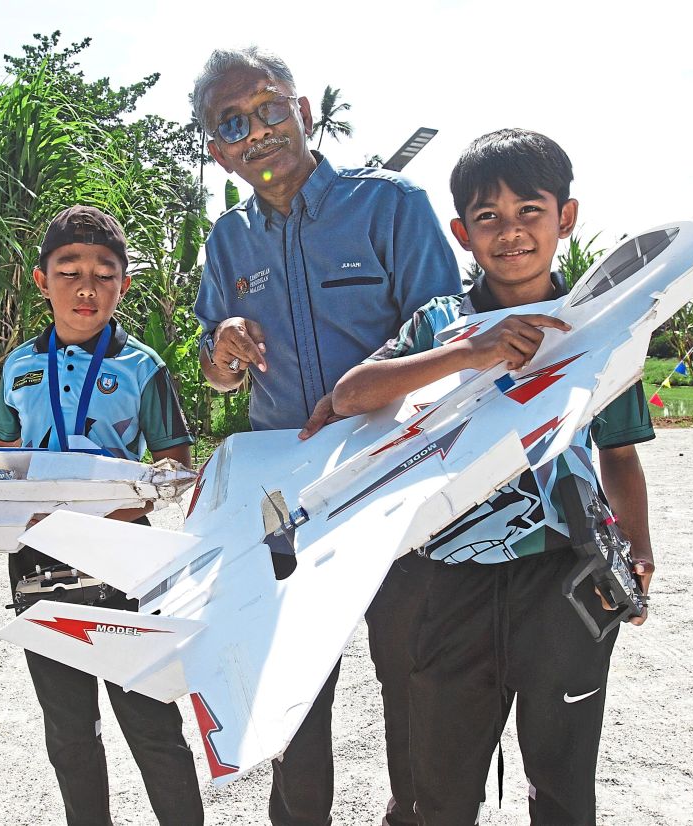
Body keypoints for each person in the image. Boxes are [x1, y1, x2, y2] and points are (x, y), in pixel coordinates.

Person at [332, 128, 656, 825]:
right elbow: (351, 396)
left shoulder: (600, 327)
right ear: (462, 232)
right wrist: (467, 356)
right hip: (447, 581)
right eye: (488, 217)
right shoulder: (441, 324)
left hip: (566, 578)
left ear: (565, 217)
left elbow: (620, 453)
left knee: (564, 787)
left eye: (529, 211)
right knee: (438, 795)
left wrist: (640, 546)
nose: (510, 232)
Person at [191, 47, 461, 826]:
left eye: (271, 108)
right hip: (279, 501)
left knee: (410, 665)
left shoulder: (390, 208)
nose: (259, 131)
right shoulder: (226, 244)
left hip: (395, 477)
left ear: (304, 113)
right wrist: (223, 350)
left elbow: (448, 339)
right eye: (233, 123)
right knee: (290, 675)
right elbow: (217, 376)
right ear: (218, 150)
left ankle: (414, 812)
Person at [0, 206, 203, 826]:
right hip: (36, 559)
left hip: (123, 557)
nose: (87, 289)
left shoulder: (144, 368)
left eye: (104, 274)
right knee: (68, 730)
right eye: (69, 272)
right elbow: (3, 456)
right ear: (41, 279)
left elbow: (173, 465)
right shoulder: (18, 367)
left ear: (124, 283)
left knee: (151, 720)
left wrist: (118, 504)